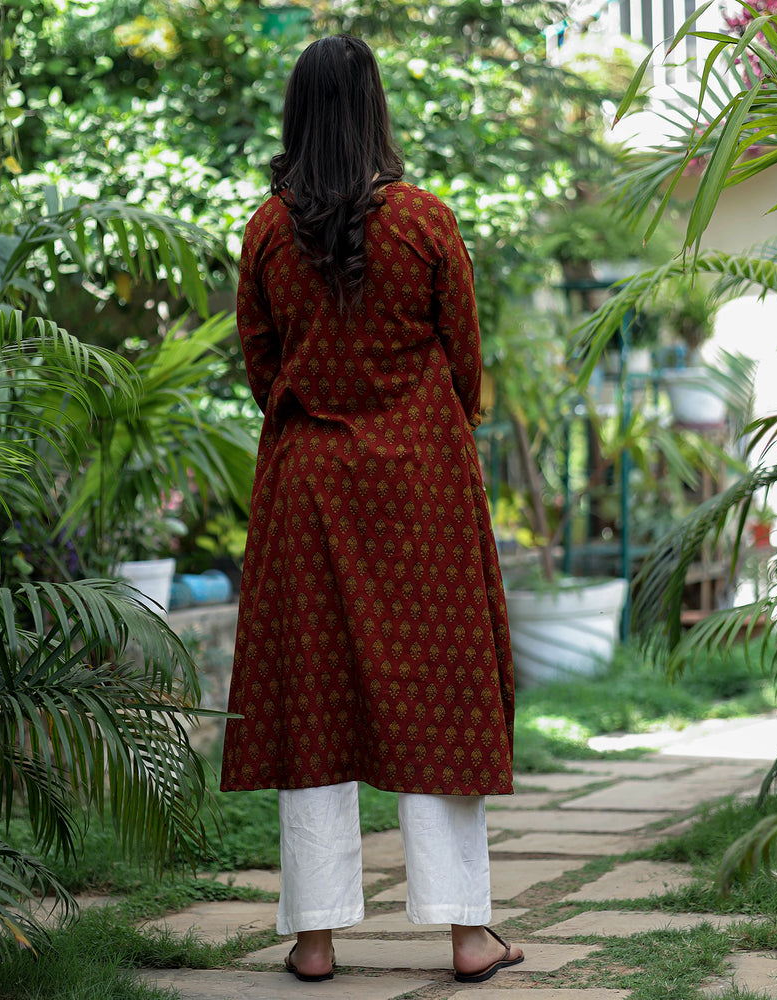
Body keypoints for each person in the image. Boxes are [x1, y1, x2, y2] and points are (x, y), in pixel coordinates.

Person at [220, 33, 523, 985]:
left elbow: (261, 365)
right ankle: (466, 933)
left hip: (309, 488)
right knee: (439, 696)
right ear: (376, 108)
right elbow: (466, 360)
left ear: (298, 113)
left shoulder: (270, 230)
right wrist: (423, 414)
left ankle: (314, 940)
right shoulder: (427, 222)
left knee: (315, 700)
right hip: (421, 490)